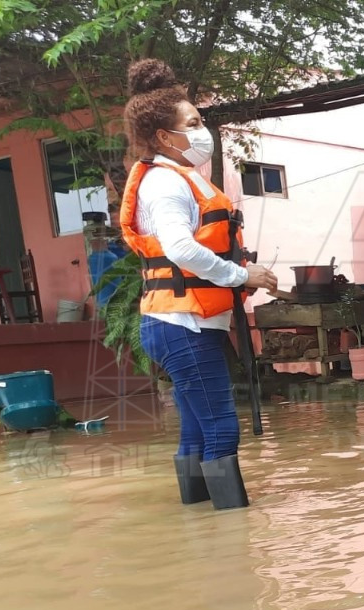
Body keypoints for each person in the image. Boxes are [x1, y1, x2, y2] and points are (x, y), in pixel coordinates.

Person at [119, 59, 278, 509]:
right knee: (223, 429)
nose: (202, 129)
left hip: (172, 324)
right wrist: (241, 275)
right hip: (183, 326)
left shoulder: (172, 178)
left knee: (196, 429)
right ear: (165, 137)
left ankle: (201, 530)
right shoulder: (166, 185)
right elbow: (181, 249)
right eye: (194, 123)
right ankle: (233, 535)